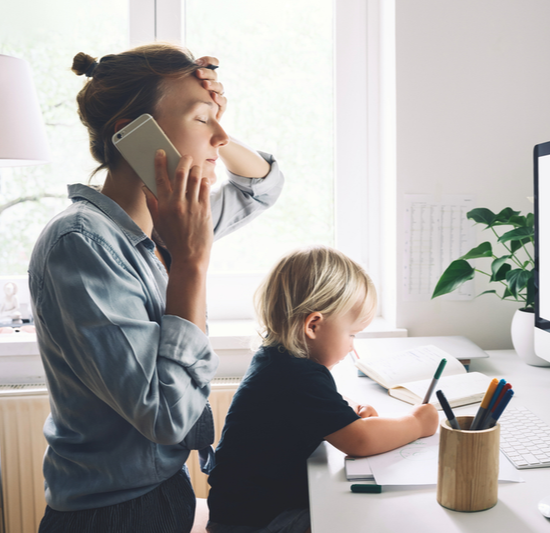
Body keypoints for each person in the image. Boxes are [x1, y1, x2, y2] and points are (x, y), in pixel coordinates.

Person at [28, 42, 284, 533]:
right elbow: (166, 416)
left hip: (164, 491)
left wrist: (216, 125)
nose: (221, 138)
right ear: (134, 136)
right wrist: (190, 263)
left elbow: (263, 187)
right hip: (113, 514)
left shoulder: (172, 219)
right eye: (200, 120)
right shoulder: (80, 245)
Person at [205, 246, 438, 533]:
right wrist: (417, 423)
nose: (353, 345)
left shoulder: (278, 359)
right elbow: (360, 442)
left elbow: (312, 409)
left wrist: (347, 413)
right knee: (376, 519)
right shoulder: (297, 376)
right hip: (257, 522)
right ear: (313, 325)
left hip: (244, 512)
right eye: (351, 334)